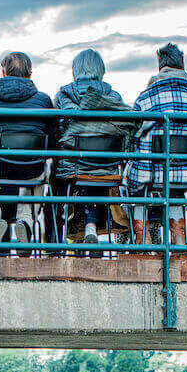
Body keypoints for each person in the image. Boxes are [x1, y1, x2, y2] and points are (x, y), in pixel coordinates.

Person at [123, 43, 187, 246]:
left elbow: (133, 134)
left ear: (160, 66)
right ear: (182, 65)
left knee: (135, 189)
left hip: (152, 172)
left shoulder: (146, 98)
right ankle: (179, 240)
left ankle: (142, 241)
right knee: (175, 188)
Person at [0, 51, 56, 246]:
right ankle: (25, 220)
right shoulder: (44, 101)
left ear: (3, 72)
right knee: (40, 176)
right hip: (32, 169)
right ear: (30, 74)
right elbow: (53, 141)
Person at [53, 48, 135, 245]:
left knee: (65, 175)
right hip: (108, 164)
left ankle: (57, 239)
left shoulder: (64, 95)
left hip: (73, 164)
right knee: (98, 171)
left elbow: (58, 128)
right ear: (101, 69)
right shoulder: (113, 96)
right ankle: (91, 228)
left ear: (75, 70)